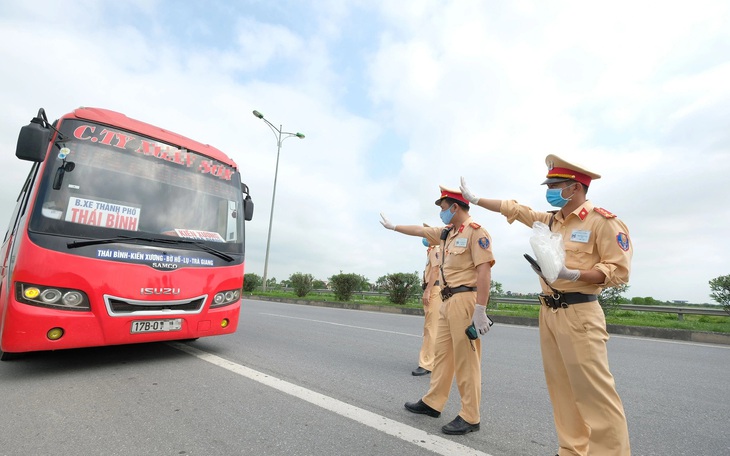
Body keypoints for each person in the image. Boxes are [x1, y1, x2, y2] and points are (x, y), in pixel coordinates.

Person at [459, 154, 632, 455]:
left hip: (580, 312)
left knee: (595, 395)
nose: (549, 189)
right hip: (549, 312)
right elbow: (516, 210)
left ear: (575, 187)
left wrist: (572, 273)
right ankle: (571, 449)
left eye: (555, 184)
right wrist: (476, 199)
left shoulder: (603, 222)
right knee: (561, 389)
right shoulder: (552, 220)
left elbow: (618, 271)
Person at [380, 186, 495, 435]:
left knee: (467, 361)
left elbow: (484, 271)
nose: (441, 213)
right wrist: (394, 227)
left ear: (455, 207)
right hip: (445, 300)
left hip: (465, 300)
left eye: (443, 208)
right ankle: (433, 402)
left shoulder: (476, 232)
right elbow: (420, 231)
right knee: (442, 356)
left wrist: (480, 309)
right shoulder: (447, 233)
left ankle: (470, 416)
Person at [412, 227, 441, 376]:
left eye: (426, 235)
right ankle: (435, 360)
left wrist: (428, 290)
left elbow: (435, 271)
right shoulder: (431, 250)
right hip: (434, 290)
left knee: (431, 328)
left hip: (434, 290)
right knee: (434, 327)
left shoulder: (435, 249)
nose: (424, 238)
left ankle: (427, 364)